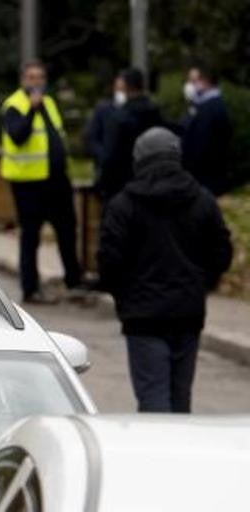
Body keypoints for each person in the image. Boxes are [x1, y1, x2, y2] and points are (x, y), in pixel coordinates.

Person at [98, 127, 232, 413]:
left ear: (139, 160)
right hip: (188, 313)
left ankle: (158, 453)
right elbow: (221, 252)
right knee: (181, 399)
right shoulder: (202, 200)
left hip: (143, 316)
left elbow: (109, 262)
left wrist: (125, 296)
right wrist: (200, 284)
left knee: (153, 399)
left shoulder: (124, 205)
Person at [0, 60, 84, 304]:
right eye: (32, 78)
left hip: (56, 180)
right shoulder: (14, 106)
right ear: (23, 80)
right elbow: (18, 136)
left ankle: (74, 280)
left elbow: (55, 136)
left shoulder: (50, 103)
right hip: (28, 183)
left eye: (40, 78)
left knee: (67, 230)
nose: (37, 83)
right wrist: (32, 110)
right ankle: (30, 288)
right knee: (31, 236)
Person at [98, 67, 165, 201]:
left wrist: (104, 187)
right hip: (153, 185)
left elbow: (110, 158)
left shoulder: (119, 118)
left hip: (123, 188)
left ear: (126, 87)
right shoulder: (156, 114)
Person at [181, 64, 234, 196]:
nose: (189, 85)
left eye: (192, 81)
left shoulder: (212, 108)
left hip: (206, 179)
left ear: (205, 80)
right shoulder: (200, 105)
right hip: (200, 179)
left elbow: (201, 145)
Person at [83, 75, 119, 181]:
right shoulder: (103, 109)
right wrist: (105, 156)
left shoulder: (138, 110)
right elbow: (90, 137)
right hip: (107, 169)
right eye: (119, 88)